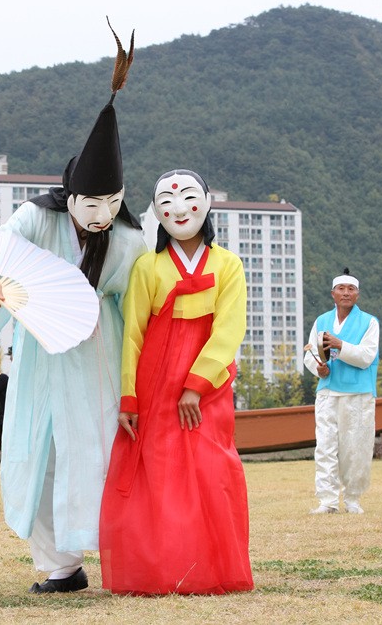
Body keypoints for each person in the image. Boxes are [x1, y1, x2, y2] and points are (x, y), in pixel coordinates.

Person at [0, 21, 145, 595]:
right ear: (70, 195)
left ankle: (122, 555)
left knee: (97, 453)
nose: (99, 216)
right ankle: (62, 566)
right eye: (90, 205)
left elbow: (143, 302)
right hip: (39, 354)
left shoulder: (129, 238)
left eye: (110, 205)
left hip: (98, 358)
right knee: (37, 453)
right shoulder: (38, 216)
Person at [100, 169, 253, 595]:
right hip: (154, 381)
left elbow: (228, 330)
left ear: (207, 201)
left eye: (188, 195)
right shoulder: (147, 266)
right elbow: (133, 335)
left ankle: (210, 568)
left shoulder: (228, 265)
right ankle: (163, 570)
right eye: (166, 200)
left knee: (212, 468)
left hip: (209, 383)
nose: (179, 207)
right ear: (156, 212)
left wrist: (196, 386)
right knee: (160, 476)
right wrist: (129, 398)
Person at [303, 268, 380, 515]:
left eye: (351, 289)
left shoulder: (369, 322)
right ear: (333, 294)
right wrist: (319, 368)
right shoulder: (322, 321)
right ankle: (327, 500)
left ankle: (353, 498)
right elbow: (310, 354)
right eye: (341, 289)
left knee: (355, 447)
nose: (346, 293)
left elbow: (367, 357)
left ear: (357, 295)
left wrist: (340, 345)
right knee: (325, 446)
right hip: (328, 392)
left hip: (358, 393)